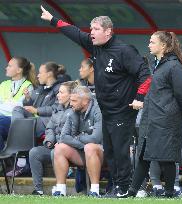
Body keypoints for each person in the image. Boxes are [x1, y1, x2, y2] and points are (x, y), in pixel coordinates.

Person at [40, 6, 151, 197]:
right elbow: (74, 33)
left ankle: (124, 188)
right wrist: (52, 19)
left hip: (123, 109)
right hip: (106, 109)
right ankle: (116, 186)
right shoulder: (96, 46)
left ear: (108, 31)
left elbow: (145, 75)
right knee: (110, 151)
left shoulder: (124, 50)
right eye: (91, 30)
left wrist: (139, 98)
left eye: (96, 30)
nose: (91, 33)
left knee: (120, 150)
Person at [126, 31, 182, 198]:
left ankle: (169, 193)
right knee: (143, 156)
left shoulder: (173, 66)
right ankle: (132, 192)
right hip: (151, 118)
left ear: (163, 46)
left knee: (166, 157)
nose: (149, 45)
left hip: (165, 119)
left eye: (152, 42)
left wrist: (175, 114)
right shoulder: (158, 64)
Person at [6, 62, 61, 177]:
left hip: (47, 122)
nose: (37, 75)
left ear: (49, 74)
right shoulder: (40, 88)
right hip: (34, 121)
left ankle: (21, 161)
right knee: (17, 109)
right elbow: (30, 105)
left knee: (22, 126)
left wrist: (36, 110)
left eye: (40, 73)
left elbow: (57, 109)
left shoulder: (59, 88)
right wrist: (27, 99)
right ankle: (22, 154)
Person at [52, 86, 103, 197]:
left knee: (90, 147)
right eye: (70, 100)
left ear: (85, 101)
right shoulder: (73, 111)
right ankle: (60, 190)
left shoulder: (98, 110)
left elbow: (96, 138)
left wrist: (78, 137)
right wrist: (81, 143)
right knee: (59, 148)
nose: (70, 103)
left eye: (74, 100)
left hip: (103, 153)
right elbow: (64, 137)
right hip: (83, 151)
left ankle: (95, 191)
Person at [29, 81, 77, 195]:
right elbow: (49, 128)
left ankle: (59, 188)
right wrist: (50, 141)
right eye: (58, 92)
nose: (57, 95)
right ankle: (38, 190)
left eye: (61, 92)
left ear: (71, 95)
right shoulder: (57, 109)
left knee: (55, 152)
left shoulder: (76, 110)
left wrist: (60, 143)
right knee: (34, 152)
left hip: (71, 149)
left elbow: (75, 133)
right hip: (55, 146)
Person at [0, 57, 37, 151]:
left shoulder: (28, 85)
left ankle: (4, 157)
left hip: (13, 121)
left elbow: (19, 108)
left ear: (19, 70)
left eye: (9, 66)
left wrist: (6, 104)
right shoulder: (4, 84)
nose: (6, 68)